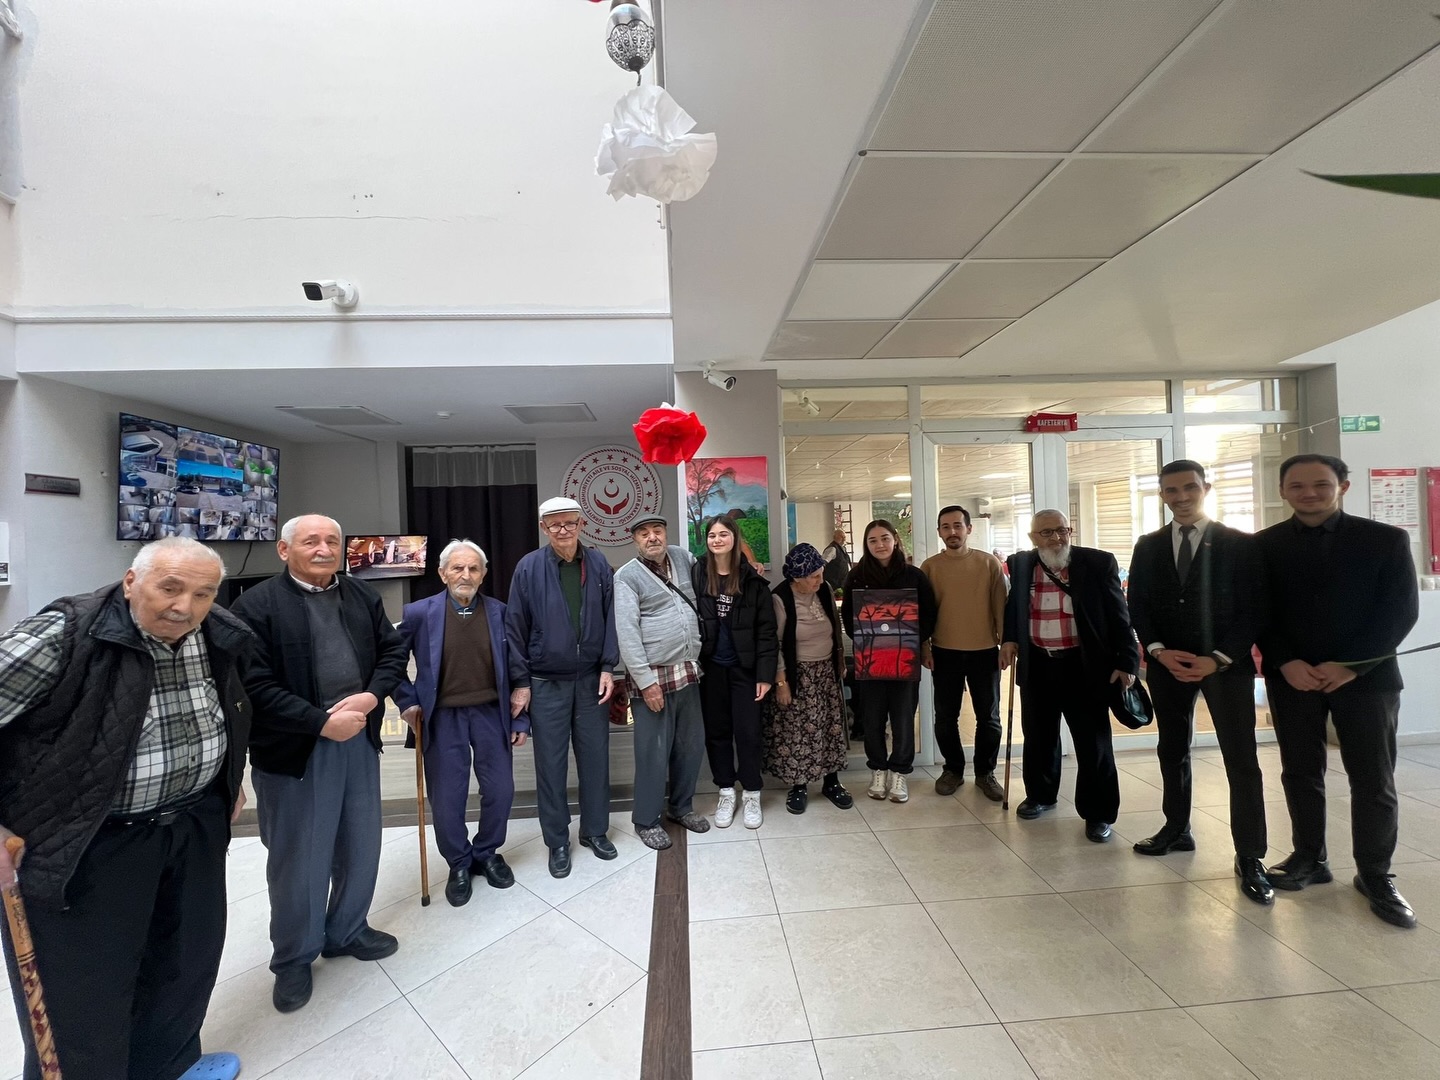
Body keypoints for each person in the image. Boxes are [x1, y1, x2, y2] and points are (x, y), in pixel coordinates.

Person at [0, 537, 248, 1080]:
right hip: (88, 840)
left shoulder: (217, 632)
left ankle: (167, 1068)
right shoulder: (66, 633)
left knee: (182, 963)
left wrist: (227, 779)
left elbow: (228, 707)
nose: (185, 607)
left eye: (203, 594)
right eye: (170, 588)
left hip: (191, 826)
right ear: (131, 581)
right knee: (83, 993)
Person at [229, 514, 409, 1014]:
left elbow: (393, 653)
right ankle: (294, 957)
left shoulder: (361, 596)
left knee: (360, 843)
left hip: (358, 739)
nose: (324, 549)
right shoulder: (255, 607)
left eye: (332, 540)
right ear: (285, 550)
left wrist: (372, 697)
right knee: (300, 860)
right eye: (311, 541)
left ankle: (347, 930)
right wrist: (319, 722)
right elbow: (254, 686)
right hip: (296, 751)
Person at [1256, 454, 1421, 927]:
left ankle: (1375, 874)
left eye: (1321, 484)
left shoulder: (1385, 539)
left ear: (1343, 487)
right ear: (1283, 490)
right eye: (1297, 486)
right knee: (1300, 771)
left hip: (1367, 680)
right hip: (1293, 678)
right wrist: (1285, 661)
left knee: (1373, 779)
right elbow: (1258, 611)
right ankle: (1309, 858)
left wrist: (1351, 666)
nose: (1309, 493)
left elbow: (1399, 612)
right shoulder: (1263, 545)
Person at [1127, 461, 1271, 905]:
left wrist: (1219, 658)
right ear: (1162, 496)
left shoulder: (1240, 543)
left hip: (1224, 666)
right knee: (1172, 749)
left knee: (1240, 758)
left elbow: (1255, 608)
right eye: (1171, 490)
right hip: (1168, 665)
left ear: (1206, 488)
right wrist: (1157, 651)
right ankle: (1176, 828)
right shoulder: (1148, 545)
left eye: (1189, 488)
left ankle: (1251, 855)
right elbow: (1138, 603)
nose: (1181, 497)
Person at [393, 540, 528, 907]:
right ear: (442, 574)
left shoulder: (501, 612)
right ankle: (458, 862)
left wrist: (521, 719)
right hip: (442, 718)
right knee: (447, 798)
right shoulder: (418, 613)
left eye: (473, 568)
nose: (465, 575)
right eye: (457, 568)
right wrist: (407, 702)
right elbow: (391, 663)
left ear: (483, 574)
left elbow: (518, 669)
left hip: (491, 714)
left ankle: (486, 852)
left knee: (500, 790)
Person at [1001, 510, 1138, 843]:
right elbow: (1014, 606)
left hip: (1084, 666)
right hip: (1038, 664)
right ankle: (1040, 795)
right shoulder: (1021, 564)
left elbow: (1119, 614)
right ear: (1033, 537)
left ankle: (1098, 813)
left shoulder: (1097, 562)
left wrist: (1127, 661)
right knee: (1039, 736)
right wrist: (1009, 639)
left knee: (1093, 743)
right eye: (1047, 533)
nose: (1056, 538)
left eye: (1062, 530)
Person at [506, 496, 620, 878]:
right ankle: (557, 841)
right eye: (555, 525)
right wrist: (521, 681)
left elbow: (611, 617)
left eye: (570, 523)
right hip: (546, 683)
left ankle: (595, 831)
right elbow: (514, 627)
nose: (563, 530)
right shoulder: (528, 568)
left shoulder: (599, 564)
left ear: (581, 524)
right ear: (544, 528)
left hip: (591, 681)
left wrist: (608, 666)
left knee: (595, 760)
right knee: (551, 766)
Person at [613, 515, 711, 849]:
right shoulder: (626, 576)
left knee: (690, 745)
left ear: (665, 534)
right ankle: (646, 820)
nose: (652, 537)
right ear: (635, 540)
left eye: (657, 531)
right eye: (644, 533)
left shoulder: (683, 558)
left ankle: (681, 807)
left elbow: (715, 572)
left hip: (687, 669)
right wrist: (645, 682)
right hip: (653, 676)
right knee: (652, 752)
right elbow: (627, 631)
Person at [841, 519, 937, 805]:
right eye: (873, 540)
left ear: (895, 540)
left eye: (884, 538)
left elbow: (929, 615)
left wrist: (910, 640)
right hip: (870, 658)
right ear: (866, 545)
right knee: (872, 718)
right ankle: (878, 770)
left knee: (903, 717)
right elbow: (849, 618)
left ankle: (899, 772)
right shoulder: (856, 577)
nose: (880, 545)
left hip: (905, 657)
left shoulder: (914, 576)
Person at [692, 515, 778, 829]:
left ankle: (752, 793)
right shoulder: (697, 574)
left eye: (723, 534)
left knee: (748, 733)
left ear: (735, 538)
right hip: (711, 670)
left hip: (746, 671)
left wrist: (765, 675)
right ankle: (726, 791)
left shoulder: (753, 582)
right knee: (717, 734)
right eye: (712, 535)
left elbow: (767, 633)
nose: (717, 540)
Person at [921, 506, 1008, 802]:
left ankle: (985, 773)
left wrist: (1005, 643)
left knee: (989, 718)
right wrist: (924, 645)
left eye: (957, 525)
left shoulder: (989, 564)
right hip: (944, 651)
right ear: (939, 532)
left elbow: (1000, 606)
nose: (952, 532)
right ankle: (953, 770)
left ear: (969, 529)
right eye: (945, 527)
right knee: (946, 718)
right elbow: (924, 613)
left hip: (985, 651)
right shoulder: (930, 567)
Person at [766, 544, 854, 814]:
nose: (820, 580)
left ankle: (831, 782)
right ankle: (799, 786)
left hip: (825, 672)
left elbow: (834, 629)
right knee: (798, 733)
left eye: (821, 573)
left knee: (829, 728)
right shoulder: (780, 598)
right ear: (797, 577)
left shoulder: (824, 590)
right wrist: (781, 682)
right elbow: (774, 644)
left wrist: (839, 662)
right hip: (798, 675)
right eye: (814, 576)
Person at [822, 528, 851, 593]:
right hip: (833, 586)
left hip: (842, 585)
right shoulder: (832, 549)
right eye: (841, 537)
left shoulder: (843, 549)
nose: (843, 539)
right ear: (835, 537)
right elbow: (823, 563)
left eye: (844, 537)